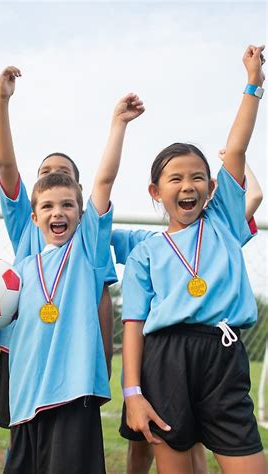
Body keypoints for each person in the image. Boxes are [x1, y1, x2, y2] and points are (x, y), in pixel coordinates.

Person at [121, 45, 266, 474]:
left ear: (211, 187)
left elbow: (236, 149)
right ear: (156, 192)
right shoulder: (145, 252)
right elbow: (132, 326)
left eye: (198, 176)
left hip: (224, 353)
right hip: (166, 359)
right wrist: (133, 392)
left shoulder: (222, 220)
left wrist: (253, 85)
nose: (189, 185)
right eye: (176, 178)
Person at [0, 92, 144, 473]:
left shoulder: (88, 251)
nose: (57, 212)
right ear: (33, 217)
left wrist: (118, 123)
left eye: (67, 205)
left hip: (72, 389)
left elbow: (104, 180)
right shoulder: (24, 269)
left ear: (81, 214)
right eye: (47, 206)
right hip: (26, 395)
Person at [0, 66, 117, 444]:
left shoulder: (87, 244)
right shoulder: (25, 225)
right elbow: (6, 164)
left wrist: (104, 356)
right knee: (24, 439)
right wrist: (2, 101)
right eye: (45, 173)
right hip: (24, 348)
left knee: (65, 444)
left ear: (77, 193)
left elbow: (102, 299)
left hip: (70, 353)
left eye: (63, 175)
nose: (52, 176)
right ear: (34, 205)